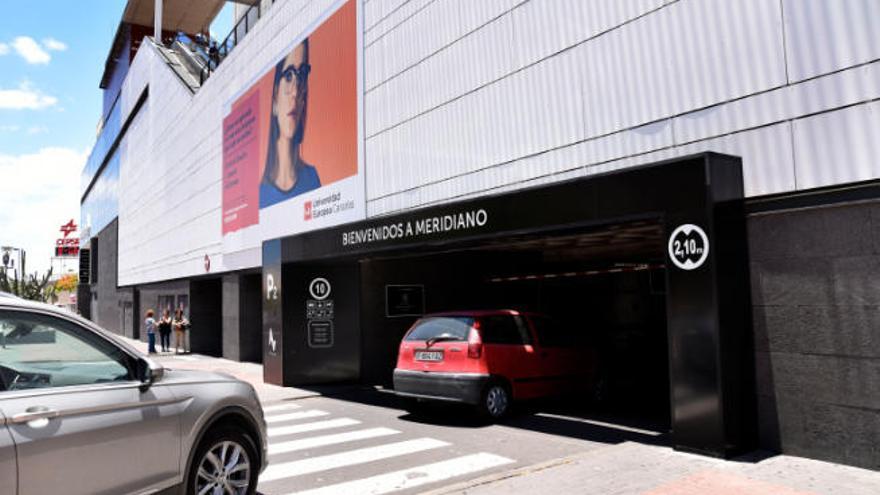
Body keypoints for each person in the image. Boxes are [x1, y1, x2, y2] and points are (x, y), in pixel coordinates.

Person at [259, 38, 321, 208]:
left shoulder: (312, 180)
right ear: (274, 99)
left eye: (302, 75)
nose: (295, 91)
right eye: (288, 76)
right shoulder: (259, 197)